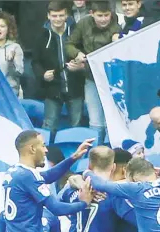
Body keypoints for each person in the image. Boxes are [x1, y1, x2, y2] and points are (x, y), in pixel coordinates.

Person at [66, 0, 121, 144]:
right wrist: (77, 53)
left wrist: (117, 39)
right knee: (95, 119)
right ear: (92, 14)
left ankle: (113, 149)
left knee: (113, 117)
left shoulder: (117, 25)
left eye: (106, 15)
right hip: (91, 78)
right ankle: (96, 150)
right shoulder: (83, 24)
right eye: (99, 16)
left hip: (113, 79)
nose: (103, 19)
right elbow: (69, 44)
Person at [32, 1, 84, 141]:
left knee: (77, 127)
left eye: (61, 15)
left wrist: (81, 66)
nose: (58, 19)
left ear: (66, 15)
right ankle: (45, 157)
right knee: (49, 127)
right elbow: (35, 62)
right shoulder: (41, 36)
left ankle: (78, 157)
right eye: (54, 16)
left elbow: (85, 53)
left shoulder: (75, 31)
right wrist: (42, 75)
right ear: (48, 16)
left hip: (75, 86)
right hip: (52, 88)